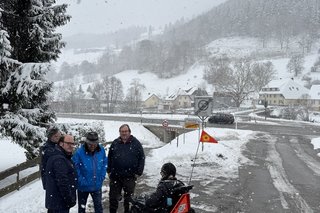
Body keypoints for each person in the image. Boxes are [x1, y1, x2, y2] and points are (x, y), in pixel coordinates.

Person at [107, 124, 145, 213]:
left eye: (125, 131)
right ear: (119, 132)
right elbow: (109, 157)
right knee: (113, 198)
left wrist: (139, 172)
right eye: (122, 131)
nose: (124, 133)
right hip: (115, 176)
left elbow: (141, 158)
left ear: (129, 132)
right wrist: (108, 170)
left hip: (130, 177)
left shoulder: (136, 143)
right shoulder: (115, 143)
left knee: (128, 199)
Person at [72, 132, 108, 213]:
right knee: (81, 209)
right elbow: (75, 168)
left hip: (96, 185)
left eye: (95, 144)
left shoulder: (101, 150)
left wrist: (102, 176)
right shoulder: (79, 152)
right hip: (83, 187)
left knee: (98, 208)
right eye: (90, 144)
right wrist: (81, 181)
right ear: (86, 143)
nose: (92, 147)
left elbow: (104, 163)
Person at [45, 134, 77, 213]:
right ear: (61, 143)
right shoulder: (59, 159)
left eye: (72, 143)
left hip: (56, 203)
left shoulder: (62, 156)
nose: (71, 146)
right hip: (59, 204)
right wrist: (69, 200)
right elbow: (63, 182)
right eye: (68, 143)